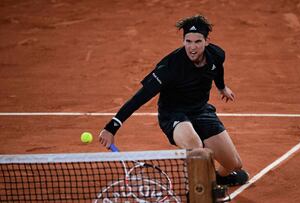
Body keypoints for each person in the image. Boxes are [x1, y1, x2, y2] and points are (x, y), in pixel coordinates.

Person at [99, 14, 249, 186]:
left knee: (234, 164)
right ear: (183, 40)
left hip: (201, 111)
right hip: (174, 114)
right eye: (188, 41)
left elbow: (217, 70)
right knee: (195, 146)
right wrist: (111, 127)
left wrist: (222, 87)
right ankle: (196, 189)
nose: (192, 47)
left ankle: (219, 178)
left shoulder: (216, 54)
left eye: (197, 41)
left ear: (207, 41)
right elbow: (139, 98)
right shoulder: (169, 68)